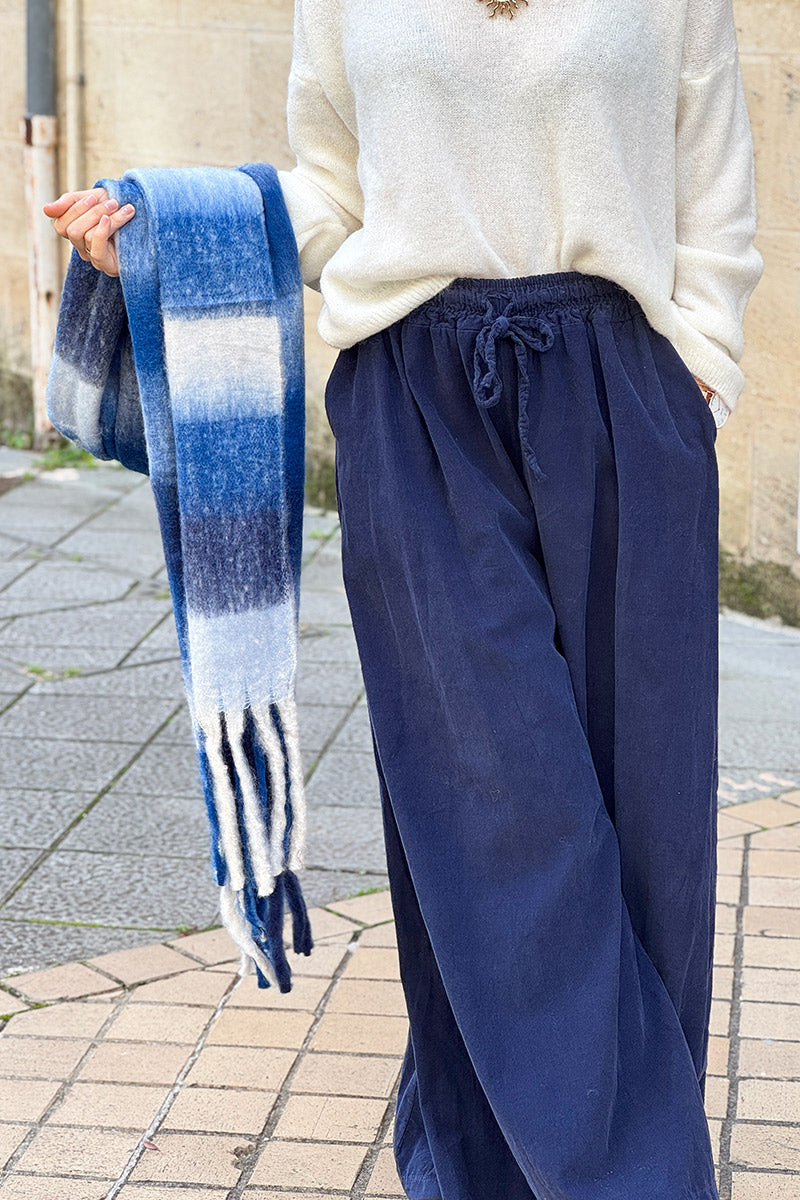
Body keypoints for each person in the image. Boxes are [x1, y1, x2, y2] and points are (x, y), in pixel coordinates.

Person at [44, 0, 762, 1196]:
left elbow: (711, 181)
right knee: (489, 799)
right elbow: (329, 189)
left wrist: (699, 368)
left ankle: (486, 1161)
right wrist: (169, 227)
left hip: (620, 393)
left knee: (643, 824)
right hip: (417, 397)